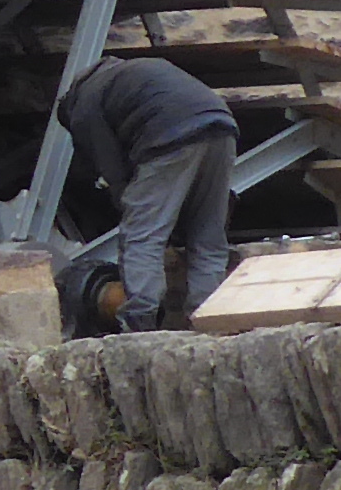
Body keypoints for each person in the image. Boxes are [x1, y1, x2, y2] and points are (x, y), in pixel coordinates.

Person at [52, 48, 238, 334]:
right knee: (208, 238)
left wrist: (129, 204)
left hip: (170, 136)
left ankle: (140, 322)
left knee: (142, 235)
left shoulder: (83, 104)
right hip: (222, 127)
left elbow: (112, 169)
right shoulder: (130, 73)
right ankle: (209, 324)